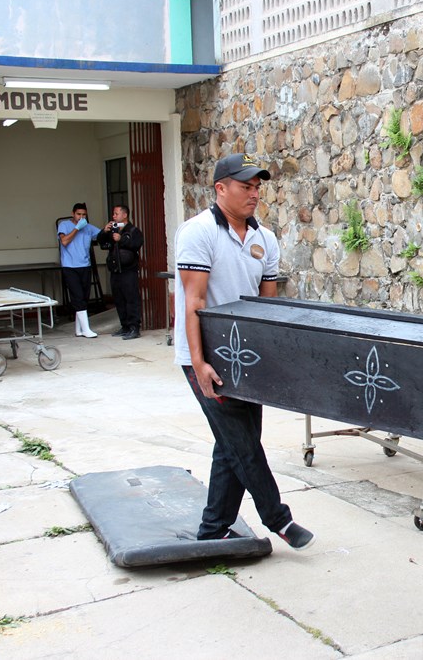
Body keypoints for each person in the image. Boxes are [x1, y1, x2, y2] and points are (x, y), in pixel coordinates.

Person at [174, 153, 313, 550]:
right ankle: (279, 520)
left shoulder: (264, 238)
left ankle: (213, 528)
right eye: (245, 186)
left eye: (257, 188)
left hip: (246, 357)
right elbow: (194, 301)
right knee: (243, 442)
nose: (254, 194)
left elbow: (265, 308)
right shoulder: (197, 233)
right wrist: (198, 363)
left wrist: (268, 361)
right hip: (205, 355)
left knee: (233, 443)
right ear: (221, 188)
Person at [97, 205, 144, 340]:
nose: (114, 216)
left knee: (131, 299)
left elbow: (137, 243)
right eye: (113, 213)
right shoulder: (113, 230)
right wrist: (104, 232)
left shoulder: (133, 230)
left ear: (124, 215)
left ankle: (134, 327)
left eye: (116, 213)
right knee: (119, 299)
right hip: (115, 270)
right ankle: (124, 326)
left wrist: (121, 239)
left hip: (129, 270)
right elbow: (101, 243)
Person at [57, 202, 102, 338]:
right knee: (77, 297)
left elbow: (101, 235)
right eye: (78, 214)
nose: (81, 217)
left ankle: (79, 329)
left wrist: (108, 229)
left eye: (84, 215)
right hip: (70, 266)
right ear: (73, 214)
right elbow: (64, 241)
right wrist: (77, 228)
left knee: (84, 297)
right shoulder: (64, 225)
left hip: (85, 265)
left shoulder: (88, 227)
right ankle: (87, 329)